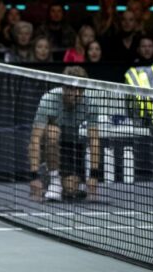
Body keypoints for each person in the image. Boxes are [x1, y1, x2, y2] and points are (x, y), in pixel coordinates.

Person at [28, 66, 101, 202]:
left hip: (71, 146)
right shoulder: (49, 99)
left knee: (70, 189)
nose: (75, 94)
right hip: (50, 145)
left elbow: (94, 139)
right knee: (52, 132)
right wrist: (34, 176)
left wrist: (94, 175)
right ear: (64, 87)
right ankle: (54, 178)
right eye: (71, 88)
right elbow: (35, 139)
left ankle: (61, 181)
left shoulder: (90, 103)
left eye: (80, 89)